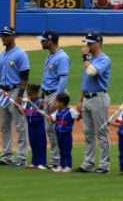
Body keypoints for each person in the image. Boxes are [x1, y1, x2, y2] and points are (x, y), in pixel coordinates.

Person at [75, 32, 112, 173]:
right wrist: (80, 101)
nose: (87, 46)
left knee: (101, 133)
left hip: (99, 98)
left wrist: (85, 57)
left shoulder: (104, 59)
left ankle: (104, 165)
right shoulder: (89, 60)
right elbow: (86, 82)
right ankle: (88, 163)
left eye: (90, 43)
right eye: (87, 43)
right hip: (87, 98)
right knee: (88, 133)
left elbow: (92, 72)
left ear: (98, 43)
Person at [0, 26, 30, 166]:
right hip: (3, 93)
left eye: (7, 35)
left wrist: (20, 95)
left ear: (13, 36)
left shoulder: (21, 54)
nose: (4, 37)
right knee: (4, 126)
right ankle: (6, 157)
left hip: (16, 91)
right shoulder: (0, 55)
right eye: (3, 35)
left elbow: (25, 77)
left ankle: (21, 158)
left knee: (20, 126)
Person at [38, 30, 71, 170]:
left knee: (56, 129)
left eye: (43, 40)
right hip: (47, 94)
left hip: (55, 95)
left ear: (50, 41)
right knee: (50, 129)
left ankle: (59, 161)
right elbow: (47, 77)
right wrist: (41, 96)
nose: (41, 42)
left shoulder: (62, 57)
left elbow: (63, 79)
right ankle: (55, 160)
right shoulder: (50, 55)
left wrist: (57, 99)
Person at [47, 92, 80, 172]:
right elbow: (52, 118)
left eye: (57, 102)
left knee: (67, 151)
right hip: (58, 134)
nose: (55, 103)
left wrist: (79, 112)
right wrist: (50, 119)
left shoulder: (70, 111)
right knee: (61, 150)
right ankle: (61, 166)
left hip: (67, 135)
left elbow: (78, 116)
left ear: (62, 103)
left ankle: (68, 166)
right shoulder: (57, 112)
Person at [22, 84, 48, 170]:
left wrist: (42, 102)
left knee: (41, 144)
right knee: (33, 144)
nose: (29, 96)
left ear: (36, 93)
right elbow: (24, 111)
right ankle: (34, 162)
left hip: (39, 125)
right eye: (28, 94)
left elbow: (42, 108)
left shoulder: (40, 101)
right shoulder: (28, 102)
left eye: (31, 94)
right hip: (30, 126)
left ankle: (42, 163)